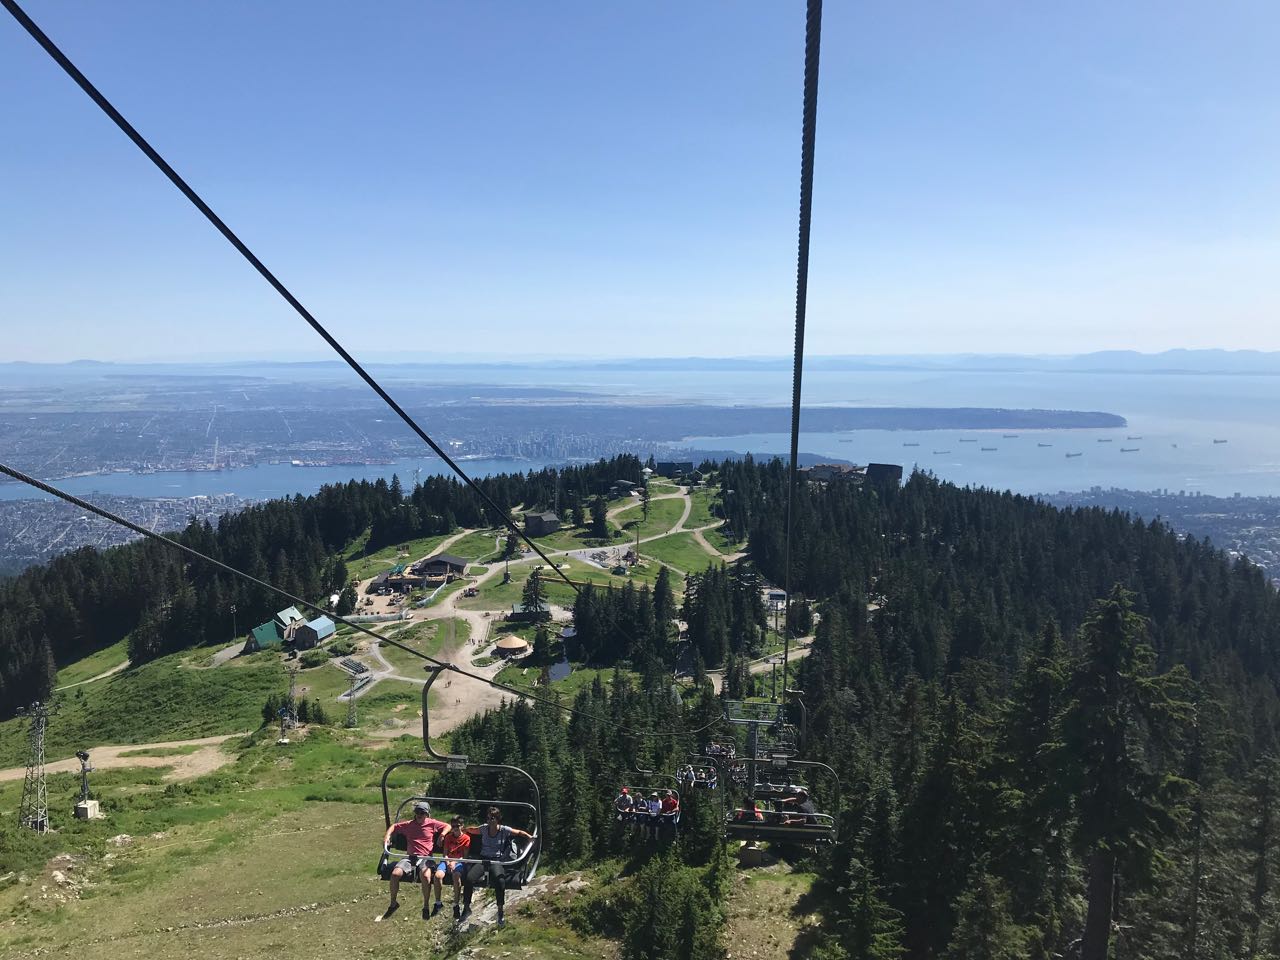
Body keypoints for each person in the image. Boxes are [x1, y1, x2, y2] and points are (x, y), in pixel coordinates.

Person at [460, 807, 533, 928]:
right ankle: (467, 907)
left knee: (500, 880)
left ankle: (500, 910)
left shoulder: (503, 830)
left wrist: (529, 837)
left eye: (492, 818)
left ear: (498, 819)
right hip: (484, 859)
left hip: (496, 861)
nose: (489, 820)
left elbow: (518, 832)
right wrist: (462, 829)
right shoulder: (484, 828)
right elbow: (473, 830)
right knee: (469, 879)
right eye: (488, 818)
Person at [383, 800, 451, 920]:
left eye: (422, 812)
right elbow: (393, 826)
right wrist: (387, 837)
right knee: (394, 874)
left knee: (425, 876)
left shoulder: (432, 824)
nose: (419, 814)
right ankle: (393, 903)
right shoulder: (409, 825)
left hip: (426, 858)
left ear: (427, 814)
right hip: (410, 858)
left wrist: (442, 835)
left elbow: (448, 826)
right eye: (418, 812)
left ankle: (425, 905)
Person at [438, 815, 471, 919]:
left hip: (459, 861)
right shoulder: (448, 837)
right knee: (437, 876)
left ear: (462, 826)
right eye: (453, 826)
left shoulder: (466, 838)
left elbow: (464, 856)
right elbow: (445, 853)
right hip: (448, 860)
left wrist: (454, 862)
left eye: (457, 825)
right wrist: (448, 862)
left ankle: (456, 904)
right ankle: (437, 902)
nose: (455, 828)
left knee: (456, 875)